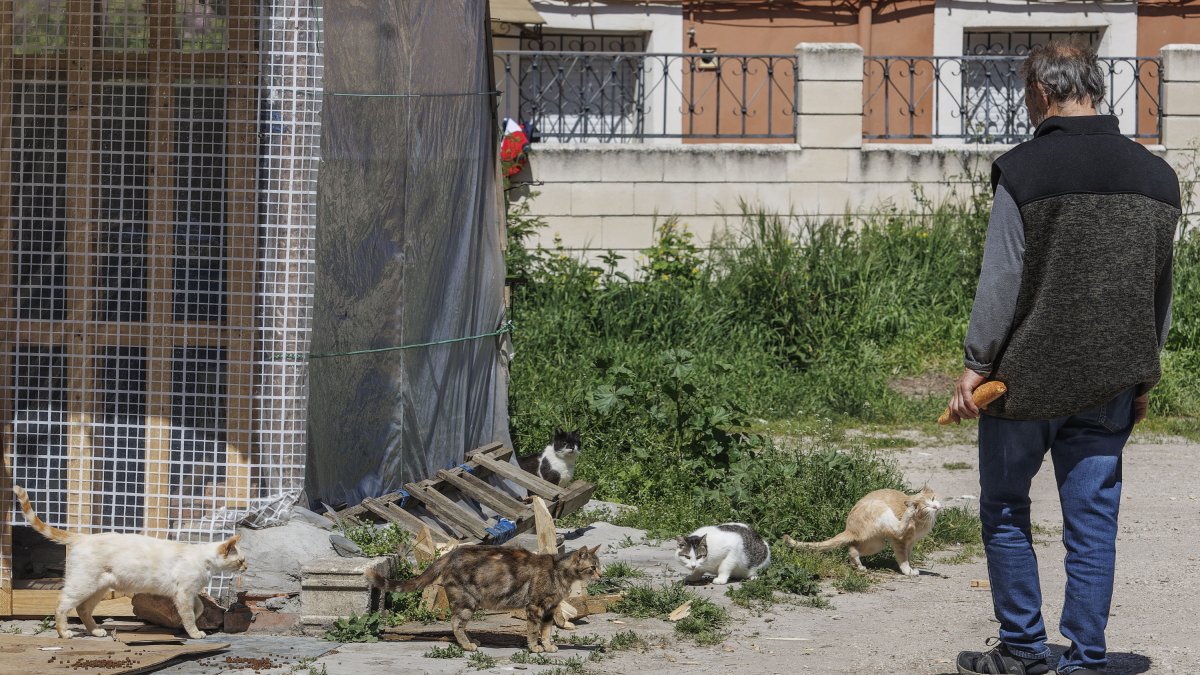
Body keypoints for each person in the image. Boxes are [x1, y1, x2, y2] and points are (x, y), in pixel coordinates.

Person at [949, 42, 1179, 675]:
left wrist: (976, 364)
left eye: (1025, 95)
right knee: (1092, 522)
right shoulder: (1158, 179)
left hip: (1022, 383)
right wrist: (1144, 372)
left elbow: (1003, 278)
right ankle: (1086, 658)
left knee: (1003, 506)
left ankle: (1023, 650)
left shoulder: (1023, 170)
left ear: (1043, 93)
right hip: (1110, 382)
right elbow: (1158, 289)